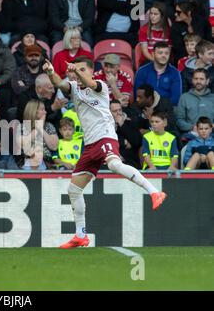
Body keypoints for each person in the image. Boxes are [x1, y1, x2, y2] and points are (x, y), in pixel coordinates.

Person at [43, 56, 167, 249]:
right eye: (77, 69)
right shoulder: (75, 88)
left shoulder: (99, 85)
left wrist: (76, 71)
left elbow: (89, 82)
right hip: (90, 144)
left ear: (91, 71)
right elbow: (59, 83)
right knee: (73, 190)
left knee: (114, 164)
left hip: (105, 137)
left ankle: (154, 192)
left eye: (83, 69)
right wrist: (51, 71)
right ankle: (80, 235)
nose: (78, 72)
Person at [134, 42, 182, 106]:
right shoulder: (142, 71)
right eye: (160, 53)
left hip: (166, 109)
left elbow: (175, 98)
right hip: (145, 107)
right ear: (153, 54)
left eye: (166, 53)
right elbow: (138, 95)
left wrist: (160, 107)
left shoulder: (175, 72)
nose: (164, 56)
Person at [19, 99, 58, 170]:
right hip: (27, 164)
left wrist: (41, 129)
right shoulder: (21, 127)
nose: (45, 112)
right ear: (34, 111)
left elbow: (54, 146)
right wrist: (38, 127)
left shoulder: (49, 126)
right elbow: (23, 143)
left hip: (47, 165)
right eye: (42, 110)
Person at [171, 0, 213, 64]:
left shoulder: (202, 22)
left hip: (203, 56)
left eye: (178, 12)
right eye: (175, 11)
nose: (175, 14)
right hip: (184, 57)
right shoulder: (175, 26)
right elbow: (178, 48)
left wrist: (200, 54)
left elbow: (208, 40)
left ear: (188, 13)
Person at [176, 69, 214, 135]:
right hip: (191, 135)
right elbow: (179, 120)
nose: (198, 81)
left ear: (207, 81)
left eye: (201, 79)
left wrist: (210, 127)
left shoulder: (212, 98)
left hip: (211, 135)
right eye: (196, 79)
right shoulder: (184, 97)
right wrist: (192, 127)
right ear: (192, 80)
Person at [109, 100, 142, 168]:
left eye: (120, 110)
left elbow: (137, 142)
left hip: (129, 161)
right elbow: (106, 140)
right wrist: (123, 142)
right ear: (109, 113)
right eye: (115, 111)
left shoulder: (130, 122)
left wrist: (122, 124)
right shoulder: (105, 125)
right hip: (110, 160)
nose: (118, 113)